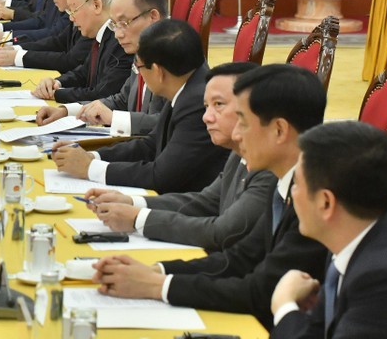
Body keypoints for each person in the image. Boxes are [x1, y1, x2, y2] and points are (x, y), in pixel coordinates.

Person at [93, 64, 330, 329]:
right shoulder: (286, 182)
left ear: (279, 130)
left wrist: (156, 285)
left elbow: (260, 290)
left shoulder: (316, 201)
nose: (237, 134)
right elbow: (239, 258)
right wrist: (155, 271)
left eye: (243, 122)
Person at [85, 62, 277, 252]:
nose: (206, 117)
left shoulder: (270, 167)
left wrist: (138, 219)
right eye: (206, 106)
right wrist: (132, 202)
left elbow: (221, 232)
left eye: (218, 105)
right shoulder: (239, 152)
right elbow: (206, 202)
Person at [270, 120, 387, 337]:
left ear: (326, 202)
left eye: (296, 184)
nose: (292, 193)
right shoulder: (354, 235)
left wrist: (284, 306)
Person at [52, 19, 228, 193]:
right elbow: (151, 145)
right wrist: (92, 156)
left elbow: (161, 176)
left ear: (158, 71)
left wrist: (90, 168)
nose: (139, 74)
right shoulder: (185, 85)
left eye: (139, 67)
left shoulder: (199, 102)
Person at [35, 0, 167, 132]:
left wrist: (113, 118)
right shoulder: (143, 49)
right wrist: (67, 111)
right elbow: (122, 100)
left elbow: (170, 123)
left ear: (153, 17)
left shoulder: (178, 56)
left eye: (124, 23)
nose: (117, 34)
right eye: (114, 24)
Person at [20, 0, 133, 104]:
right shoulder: (100, 35)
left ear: (96, 5)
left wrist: (57, 94)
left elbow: (102, 94)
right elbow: (83, 73)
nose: (71, 18)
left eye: (73, 10)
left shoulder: (120, 42)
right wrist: (57, 83)